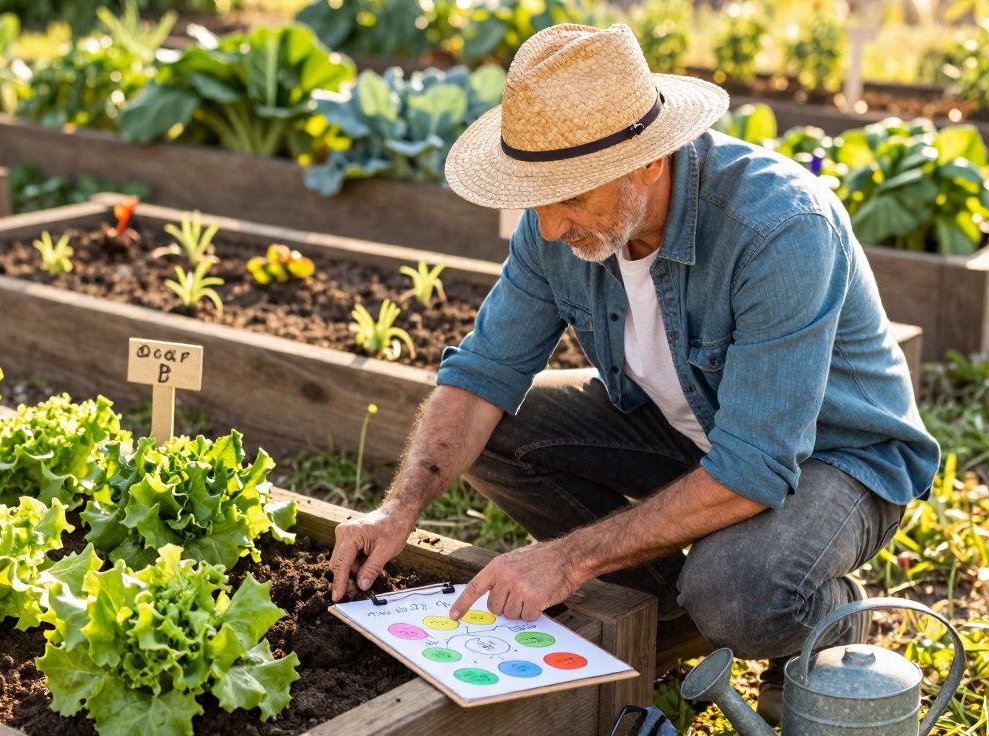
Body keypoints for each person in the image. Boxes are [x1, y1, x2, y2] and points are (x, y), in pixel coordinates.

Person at [328, 23, 938, 724]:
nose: (549, 227)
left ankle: (823, 615)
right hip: (695, 428)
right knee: (495, 434)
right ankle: (666, 615)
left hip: (836, 456)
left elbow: (759, 464)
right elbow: (484, 370)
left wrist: (567, 559)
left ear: (649, 162)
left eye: (569, 198)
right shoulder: (552, 227)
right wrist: (397, 508)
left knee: (737, 591)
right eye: (536, 197)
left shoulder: (779, 228)